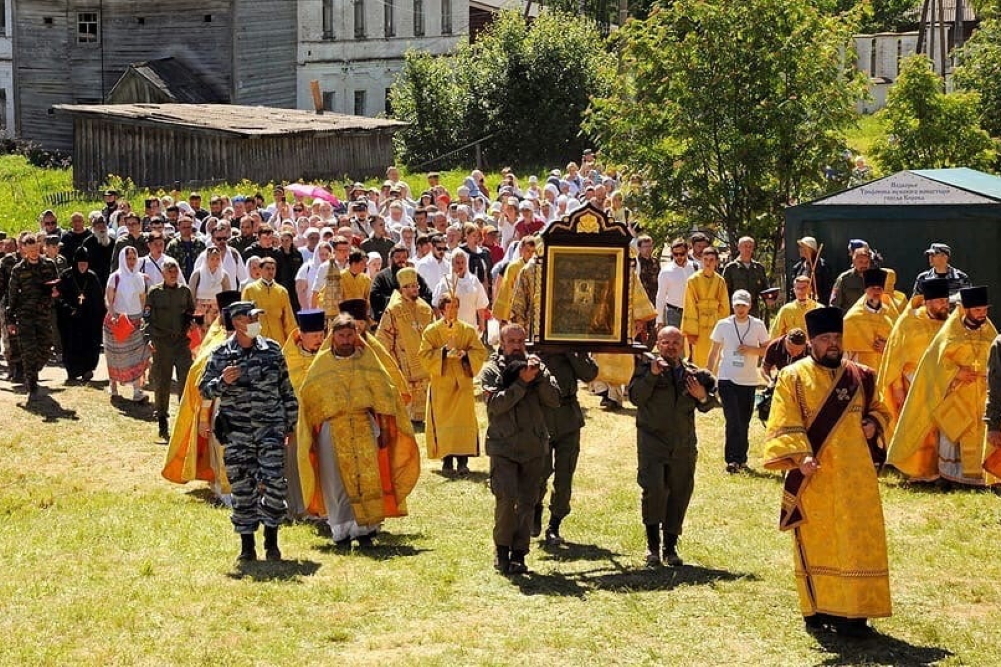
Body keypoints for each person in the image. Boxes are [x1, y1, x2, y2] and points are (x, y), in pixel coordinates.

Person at [762, 306, 892, 638]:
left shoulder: (861, 375)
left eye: (836, 337)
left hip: (857, 477)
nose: (832, 344)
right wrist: (801, 455)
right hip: (816, 475)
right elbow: (783, 420)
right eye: (825, 339)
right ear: (811, 342)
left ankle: (857, 612)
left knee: (857, 542)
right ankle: (819, 608)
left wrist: (872, 423)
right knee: (821, 541)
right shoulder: (793, 376)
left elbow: (881, 408)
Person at [295, 314, 421, 548]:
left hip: (364, 426)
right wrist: (311, 436)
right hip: (332, 430)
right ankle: (341, 530)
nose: (345, 340)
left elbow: (385, 394)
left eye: (350, 335)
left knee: (368, 477)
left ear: (356, 336)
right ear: (333, 337)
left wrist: (384, 430)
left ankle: (365, 528)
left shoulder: (367, 360)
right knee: (335, 481)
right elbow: (308, 398)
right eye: (341, 335)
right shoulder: (321, 364)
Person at [199, 301, 299, 562]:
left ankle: (272, 541)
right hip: (238, 432)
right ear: (237, 322)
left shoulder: (272, 350)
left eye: (257, 317)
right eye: (252, 317)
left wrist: (291, 424)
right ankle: (247, 546)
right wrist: (223, 381)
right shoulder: (221, 353)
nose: (257, 322)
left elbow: (286, 389)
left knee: (276, 484)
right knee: (243, 488)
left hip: (271, 430)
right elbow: (204, 389)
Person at [886, 286, 999, 487]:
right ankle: (952, 477)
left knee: (981, 429)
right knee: (954, 433)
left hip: (981, 392)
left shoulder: (989, 331)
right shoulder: (951, 331)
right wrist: (956, 373)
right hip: (955, 393)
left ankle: (982, 476)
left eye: (984, 310)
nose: (982, 314)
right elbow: (934, 363)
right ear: (965, 310)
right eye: (977, 310)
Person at [628, 326, 719, 566]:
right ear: (658, 344)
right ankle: (652, 547)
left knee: (679, 494)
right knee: (654, 491)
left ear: (683, 346)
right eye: (665, 342)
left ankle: (670, 548)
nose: (671, 347)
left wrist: (701, 395)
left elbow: (710, 404)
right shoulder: (645, 369)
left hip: (683, 445)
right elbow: (636, 397)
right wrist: (653, 375)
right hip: (652, 443)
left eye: (675, 342)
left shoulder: (693, 374)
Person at [479, 323, 561, 574]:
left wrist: (538, 377)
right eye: (511, 341)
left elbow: (555, 400)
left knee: (527, 502)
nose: (517, 346)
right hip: (503, 446)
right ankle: (502, 550)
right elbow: (495, 405)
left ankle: (519, 554)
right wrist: (521, 384)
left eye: (520, 341)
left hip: (533, 446)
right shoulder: (491, 370)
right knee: (506, 500)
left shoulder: (538, 368)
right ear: (501, 344)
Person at [162, 290, 242, 507]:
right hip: (221, 403)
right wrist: (205, 416)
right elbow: (204, 378)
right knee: (222, 446)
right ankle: (224, 487)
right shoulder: (217, 347)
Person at [419, 293, 488, 474]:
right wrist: (443, 352)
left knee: (463, 421)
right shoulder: (431, 331)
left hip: (462, 381)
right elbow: (424, 355)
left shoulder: (467, 330)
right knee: (444, 422)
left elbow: (480, 352)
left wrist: (465, 355)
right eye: (449, 307)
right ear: (442, 309)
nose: (453, 310)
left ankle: (463, 461)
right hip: (442, 383)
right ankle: (447, 461)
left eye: (456, 306)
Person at [535, 350, 599, 545]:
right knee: (539, 472)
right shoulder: (536, 344)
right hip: (541, 418)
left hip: (568, 418)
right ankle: (534, 509)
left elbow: (589, 374)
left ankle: (554, 525)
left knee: (564, 475)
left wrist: (571, 353)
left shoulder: (574, 347)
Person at [707, 290, 771, 473]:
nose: (740, 309)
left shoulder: (758, 325)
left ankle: (742, 459)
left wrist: (751, 349)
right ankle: (732, 460)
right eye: (737, 305)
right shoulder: (723, 325)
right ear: (732, 306)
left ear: (749, 306)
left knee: (744, 420)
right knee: (732, 419)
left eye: (743, 305)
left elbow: (767, 350)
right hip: (727, 377)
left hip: (749, 380)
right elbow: (714, 352)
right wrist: (709, 376)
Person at [876, 278, 951, 427]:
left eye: (947, 301)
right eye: (940, 301)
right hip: (913, 385)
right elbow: (894, 356)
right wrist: (898, 390)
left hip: (943, 386)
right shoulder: (908, 323)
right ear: (927, 302)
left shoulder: (950, 324)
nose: (945, 305)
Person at [280, 309, 327, 519]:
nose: (320, 340)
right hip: (296, 422)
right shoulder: (287, 359)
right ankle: (298, 506)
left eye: (322, 335)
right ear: (302, 334)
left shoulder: (328, 357)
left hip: (324, 421)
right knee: (295, 463)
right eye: (315, 336)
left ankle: (323, 507)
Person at [144, 258, 196, 441]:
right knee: (163, 381)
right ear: (163, 274)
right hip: (162, 342)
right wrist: (149, 338)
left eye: (175, 272)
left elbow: (190, 311)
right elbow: (147, 318)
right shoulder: (155, 293)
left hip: (181, 342)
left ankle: (185, 420)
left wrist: (192, 325)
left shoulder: (185, 291)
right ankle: (162, 420)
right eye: (169, 273)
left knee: (185, 380)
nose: (173, 276)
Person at [376, 267, 435, 423]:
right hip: (403, 362)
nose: (414, 289)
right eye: (410, 286)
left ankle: (423, 417)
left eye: (416, 285)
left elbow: (433, 333)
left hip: (423, 361)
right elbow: (383, 338)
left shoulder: (425, 309)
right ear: (402, 289)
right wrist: (392, 362)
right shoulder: (393, 310)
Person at [5, 235, 59, 397]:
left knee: (45, 347)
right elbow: (12, 296)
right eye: (30, 251)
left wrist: (56, 292)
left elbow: (56, 283)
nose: (34, 253)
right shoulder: (18, 270)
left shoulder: (49, 265)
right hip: (25, 315)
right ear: (24, 251)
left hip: (43, 314)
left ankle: (32, 371)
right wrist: (10, 320)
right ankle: (32, 382)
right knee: (28, 350)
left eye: (36, 249)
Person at [104, 247, 151, 401]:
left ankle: (137, 391)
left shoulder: (140, 278)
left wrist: (144, 316)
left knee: (138, 356)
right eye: (128, 259)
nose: (131, 262)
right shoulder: (115, 277)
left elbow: (142, 299)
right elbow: (109, 299)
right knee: (115, 356)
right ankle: (113, 386)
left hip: (136, 321)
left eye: (133, 259)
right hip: (118, 321)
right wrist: (113, 316)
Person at [55, 247, 105, 382]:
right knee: (71, 344)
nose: (83, 267)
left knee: (90, 344)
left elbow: (99, 300)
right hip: (70, 319)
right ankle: (72, 371)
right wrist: (69, 309)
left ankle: (88, 369)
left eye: (85, 264)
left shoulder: (92, 277)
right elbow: (59, 297)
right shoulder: (66, 276)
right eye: (80, 264)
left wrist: (97, 315)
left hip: (89, 320)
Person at [681, 246, 729, 368]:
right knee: (698, 357)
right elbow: (689, 306)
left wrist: (724, 328)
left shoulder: (720, 281)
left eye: (712, 260)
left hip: (715, 322)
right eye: (706, 259)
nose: (708, 263)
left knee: (716, 356)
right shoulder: (692, 280)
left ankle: (714, 384)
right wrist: (691, 332)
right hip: (698, 325)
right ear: (701, 260)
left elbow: (724, 306)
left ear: (716, 262)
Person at [841, 268, 896, 370]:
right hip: (861, 371)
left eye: (879, 288)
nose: (876, 291)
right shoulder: (852, 318)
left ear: (883, 291)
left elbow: (900, 345)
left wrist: (888, 348)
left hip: (885, 370)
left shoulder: (892, 315)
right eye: (872, 288)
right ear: (866, 290)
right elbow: (845, 355)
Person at [370, 245, 433, 323]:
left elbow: (427, 294)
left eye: (404, 257)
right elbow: (375, 297)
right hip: (392, 320)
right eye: (397, 257)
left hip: (414, 320)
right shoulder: (382, 276)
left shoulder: (413, 275)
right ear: (391, 259)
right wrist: (400, 302)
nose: (401, 260)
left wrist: (413, 301)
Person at [241, 257, 296, 344]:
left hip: (278, 337)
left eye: (273, 269)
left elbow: (288, 319)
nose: (270, 272)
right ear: (260, 269)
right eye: (267, 268)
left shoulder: (282, 291)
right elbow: (245, 317)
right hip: (258, 336)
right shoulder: (250, 289)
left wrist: (292, 340)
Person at [432, 251, 490, 331]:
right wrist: (440, 323)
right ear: (452, 264)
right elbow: (436, 305)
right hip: (450, 328)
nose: (460, 265)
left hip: (470, 327)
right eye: (457, 263)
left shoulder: (474, 281)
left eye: (462, 262)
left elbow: (480, 304)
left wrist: (482, 324)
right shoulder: (445, 282)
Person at [656, 238, 698, 331]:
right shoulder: (666, 271)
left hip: (692, 312)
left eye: (682, 254)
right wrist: (659, 320)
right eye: (675, 254)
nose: (679, 257)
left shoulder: (696, 268)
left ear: (687, 252)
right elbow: (661, 296)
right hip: (673, 312)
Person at [722, 237, 769, 318]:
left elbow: (764, 288)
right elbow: (724, 291)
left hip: (753, 309)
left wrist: (768, 299)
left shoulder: (758, 268)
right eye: (745, 246)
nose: (747, 249)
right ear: (739, 247)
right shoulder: (731, 268)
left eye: (750, 247)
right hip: (736, 309)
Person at [790, 236, 832, 304]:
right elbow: (793, 290)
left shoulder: (822, 266)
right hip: (800, 306)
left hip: (817, 305)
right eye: (800, 247)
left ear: (810, 249)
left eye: (802, 247)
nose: (800, 249)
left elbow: (827, 290)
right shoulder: (797, 268)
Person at [829, 247, 872, 312]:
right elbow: (834, 304)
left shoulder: (875, 278)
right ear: (854, 262)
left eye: (866, 262)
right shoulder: (844, 279)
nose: (864, 265)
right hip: (849, 319)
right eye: (860, 262)